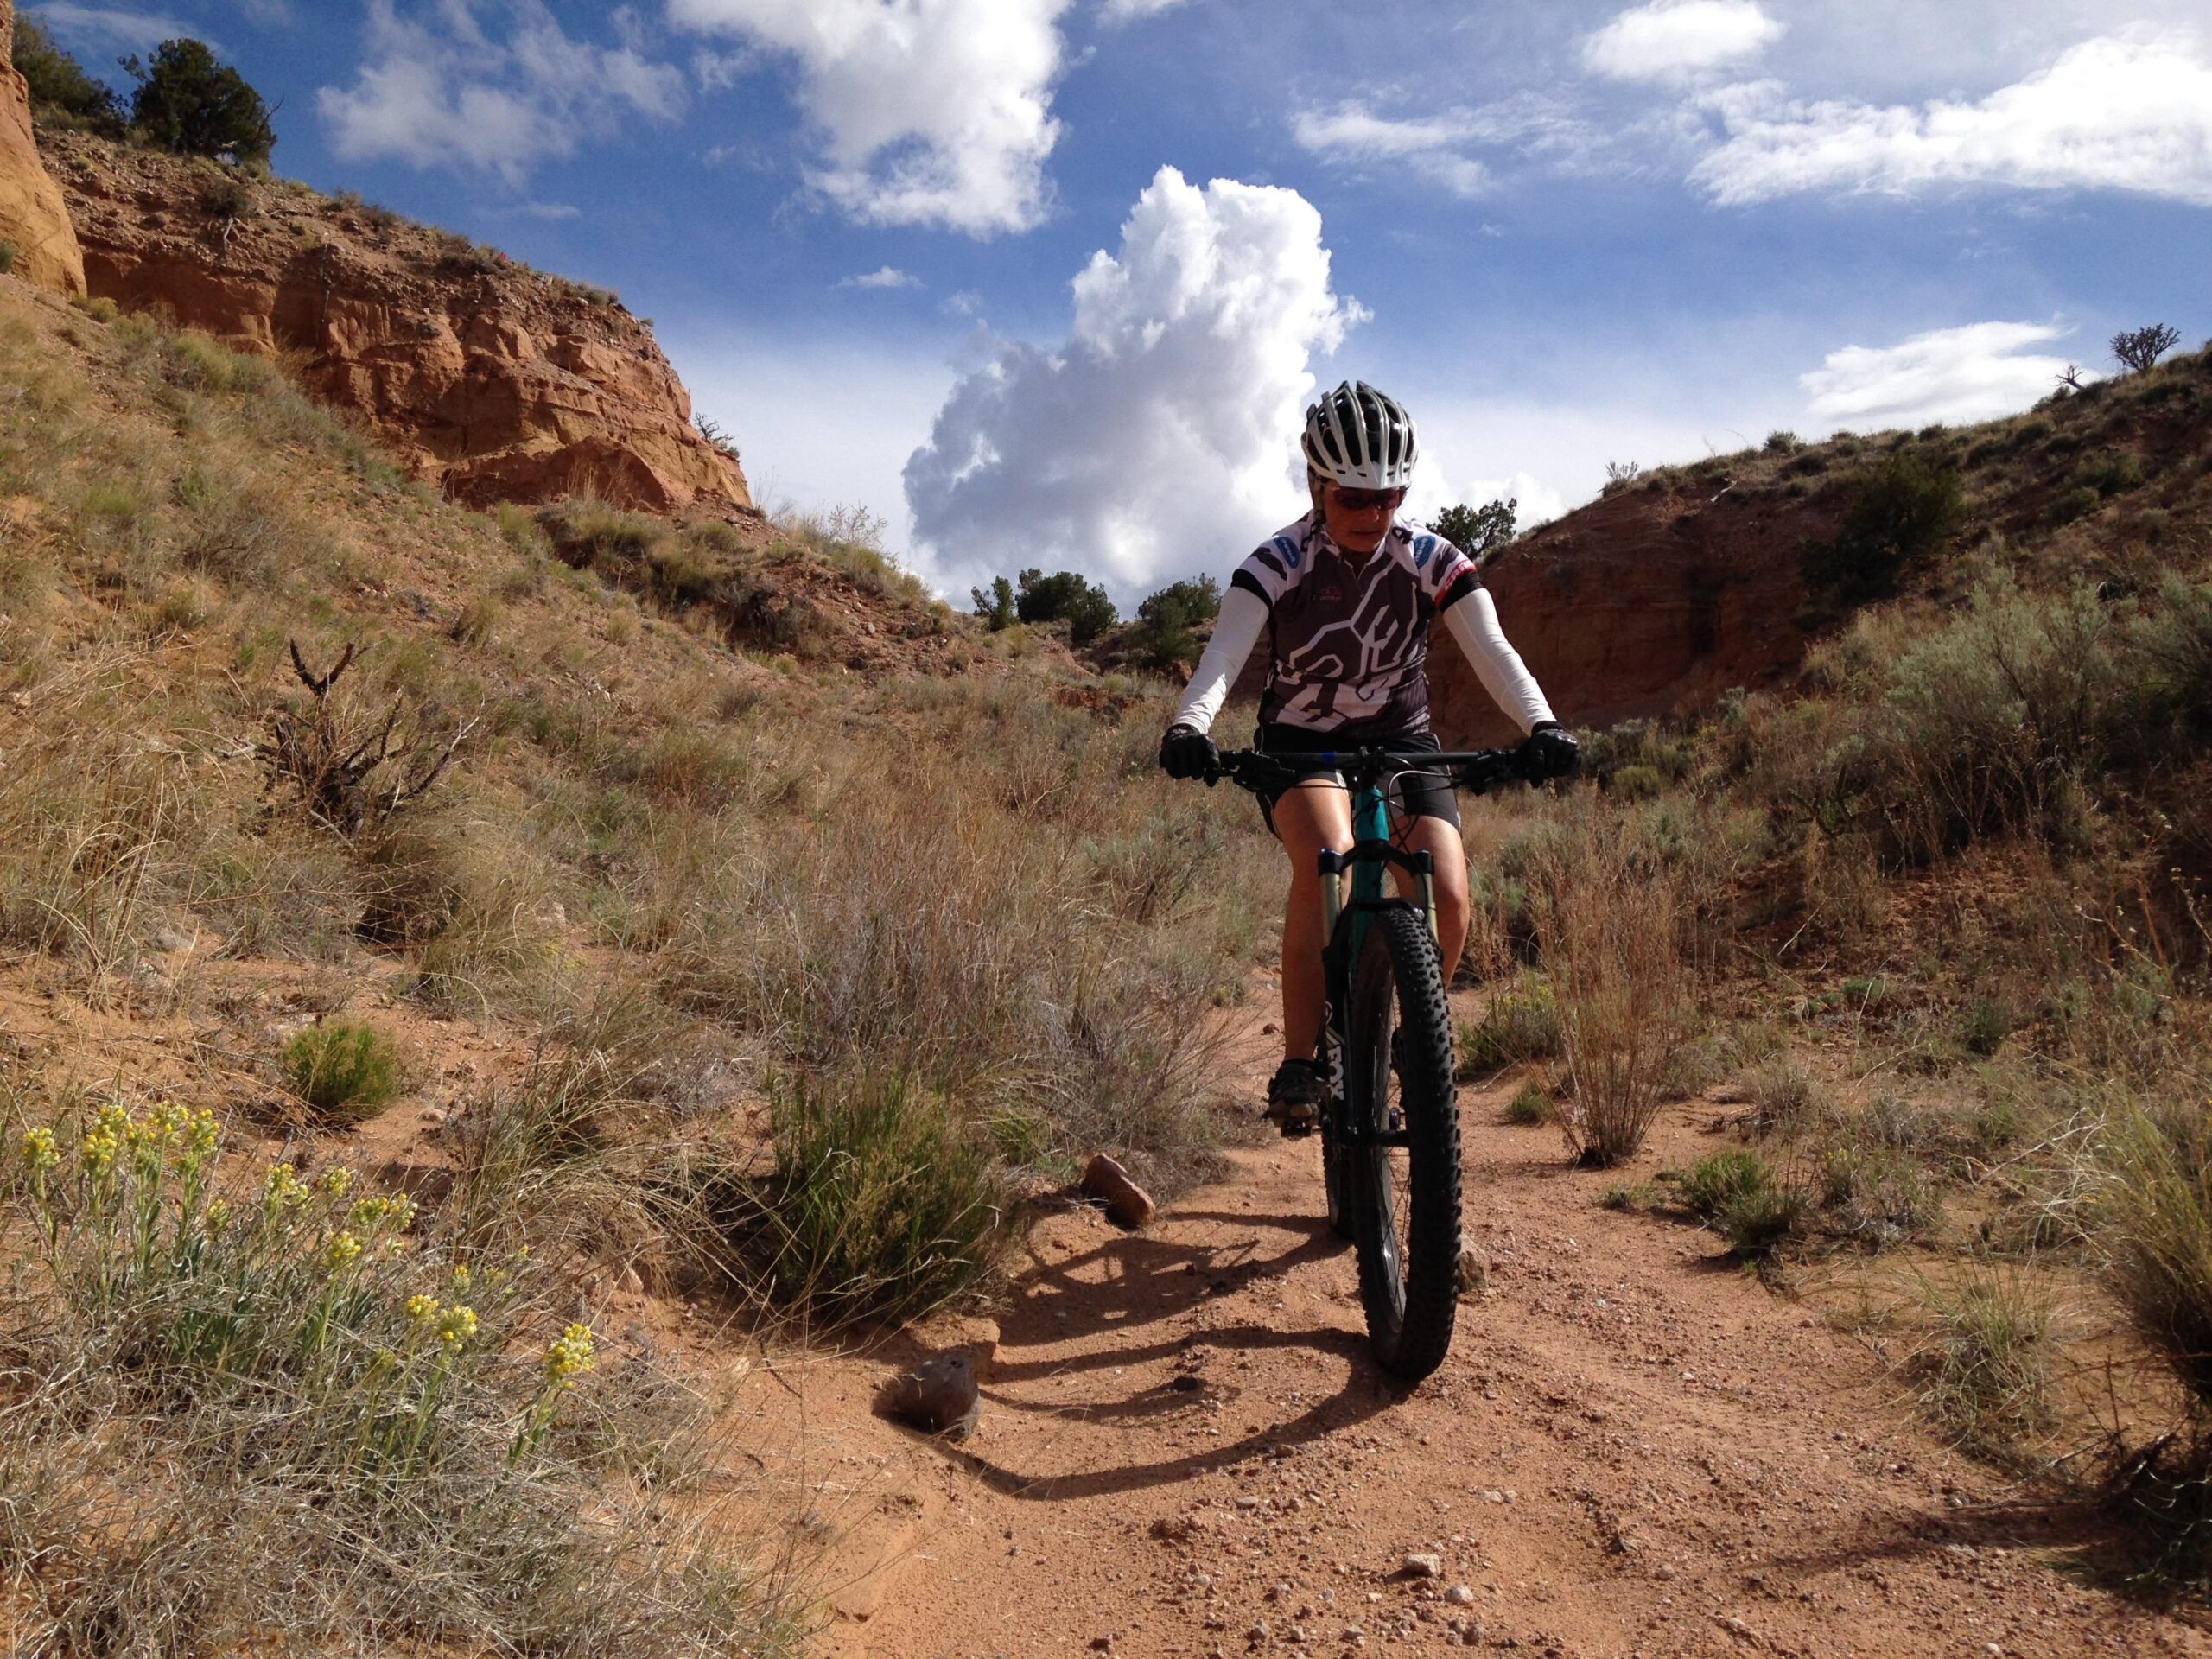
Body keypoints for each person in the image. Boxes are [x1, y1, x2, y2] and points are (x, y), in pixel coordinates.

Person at [1157, 380, 1577, 1132]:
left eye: (1387, 498)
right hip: (1302, 740)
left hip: (1403, 737)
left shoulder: (1429, 559)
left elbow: (1494, 651)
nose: (1371, 515)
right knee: (1328, 855)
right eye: (1353, 498)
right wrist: (1190, 727)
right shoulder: (1278, 562)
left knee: (1446, 896)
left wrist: (1542, 724)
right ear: (1318, 486)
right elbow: (1223, 659)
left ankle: (1414, 1041)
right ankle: (1297, 1061)